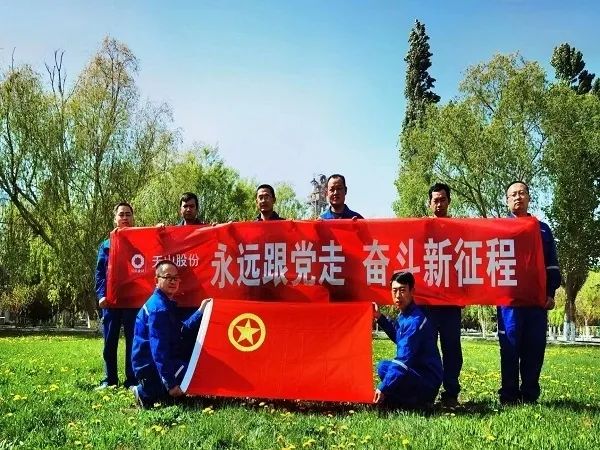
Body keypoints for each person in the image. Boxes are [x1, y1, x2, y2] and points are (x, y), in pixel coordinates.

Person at [497, 181, 561, 404]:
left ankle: (530, 395)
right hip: (509, 303)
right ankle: (508, 395)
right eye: (513, 194)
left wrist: (550, 293)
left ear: (529, 197)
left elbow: (551, 264)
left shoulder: (542, 229)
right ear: (507, 201)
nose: (518, 197)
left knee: (534, 349)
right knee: (509, 349)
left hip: (536, 302)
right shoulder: (499, 229)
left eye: (522, 193)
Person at [131, 260, 211, 408]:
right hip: (149, 366)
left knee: (195, 369)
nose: (173, 281)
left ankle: (153, 388)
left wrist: (201, 310)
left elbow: (181, 330)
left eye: (176, 278)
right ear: (156, 280)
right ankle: (146, 392)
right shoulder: (159, 309)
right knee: (196, 374)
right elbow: (159, 350)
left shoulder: (165, 303)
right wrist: (171, 384)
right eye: (168, 277)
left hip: (153, 363)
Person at [373, 271, 443, 409]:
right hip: (418, 373)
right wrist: (379, 317)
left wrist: (382, 388)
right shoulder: (406, 314)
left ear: (412, 291)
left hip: (427, 381)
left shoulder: (415, 321)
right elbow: (400, 337)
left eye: (402, 290)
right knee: (383, 367)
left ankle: (417, 402)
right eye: (394, 291)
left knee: (385, 368)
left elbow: (403, 361)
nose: (398, 295)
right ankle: (404, 400)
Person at [424, 183, 463, 407]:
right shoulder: (421, 228)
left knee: (452, 349)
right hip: (427, 302)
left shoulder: (458, 229)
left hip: (451, 303)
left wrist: (465, 294)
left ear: (449, 201)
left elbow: (467, 262)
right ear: (429, 203)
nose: (439, 204)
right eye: (435, 200)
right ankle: (427, 390)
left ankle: (450, 392)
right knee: (427, 348)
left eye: (443, 199)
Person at [95, 202, 139, 389]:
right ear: (115, 219)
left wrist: (160, 232)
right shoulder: (106, 245)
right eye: (121, 214)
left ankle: (132, 380)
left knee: (133, 341)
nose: (125, 218)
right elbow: (100, 274)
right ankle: (109, 379)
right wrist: (101, 295)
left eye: (128, 214)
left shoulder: (141, 242)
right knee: (110, 341)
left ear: (133, 218)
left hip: (133, 301)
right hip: (111, 301)